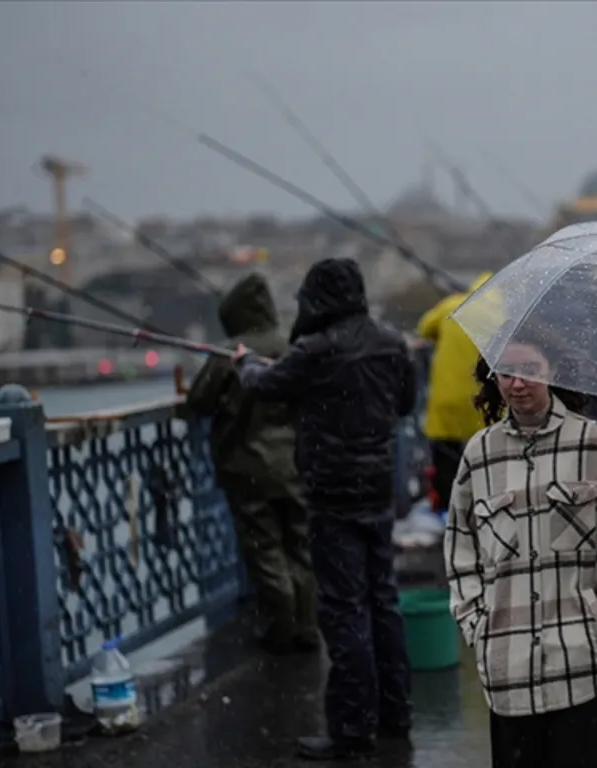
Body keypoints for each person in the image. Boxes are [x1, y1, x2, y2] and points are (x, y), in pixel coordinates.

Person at [232, 257, 416, 761]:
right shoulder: (391, 342)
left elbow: (263, 387)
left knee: (343, 609)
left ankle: (352, 729)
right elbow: (403, 404)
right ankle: (395, 713)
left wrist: (246, 362)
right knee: (383, 601)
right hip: (378, 488)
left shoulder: (314, 349)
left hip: (332, 493)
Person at [444, 326, 597, 768]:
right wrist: (476, 623)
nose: (517, 383)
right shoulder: (479, 454)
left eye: (529, 370)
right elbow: (460, 545)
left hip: (580, 657)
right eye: (506, 372)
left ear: (551, 371)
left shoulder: (591, 441)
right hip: (506, 663)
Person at [185, 273, 317, 655]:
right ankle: (307, 624)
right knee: (300, 544)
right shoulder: (292, 347)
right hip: (294, 464)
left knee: (265, 548)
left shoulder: (230, 353)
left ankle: (281, 626)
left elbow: (199, 402)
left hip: (247, 468)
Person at [415, 272, 493, 512]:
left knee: (447, 459)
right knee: (486, 458)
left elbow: (424, 328)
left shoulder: (454, 305)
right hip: (484, 401)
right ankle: (482, 505)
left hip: (447, 399)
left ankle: (450, 510)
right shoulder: (505, 315)